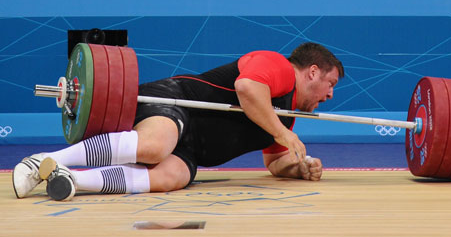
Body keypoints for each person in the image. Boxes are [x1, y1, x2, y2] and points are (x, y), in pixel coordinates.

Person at [13, 42, 344, 201]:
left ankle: (71, 180)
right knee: (156, 147)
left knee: (172, 177)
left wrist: (298, 168)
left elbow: (274, 163)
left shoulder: (283, 117)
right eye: (330, 84)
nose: (329, 96)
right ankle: (44, 160)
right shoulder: (279, 67)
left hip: (192, 150)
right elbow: (246, 89)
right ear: (312, 71)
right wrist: (282, 135)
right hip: (172, 101)